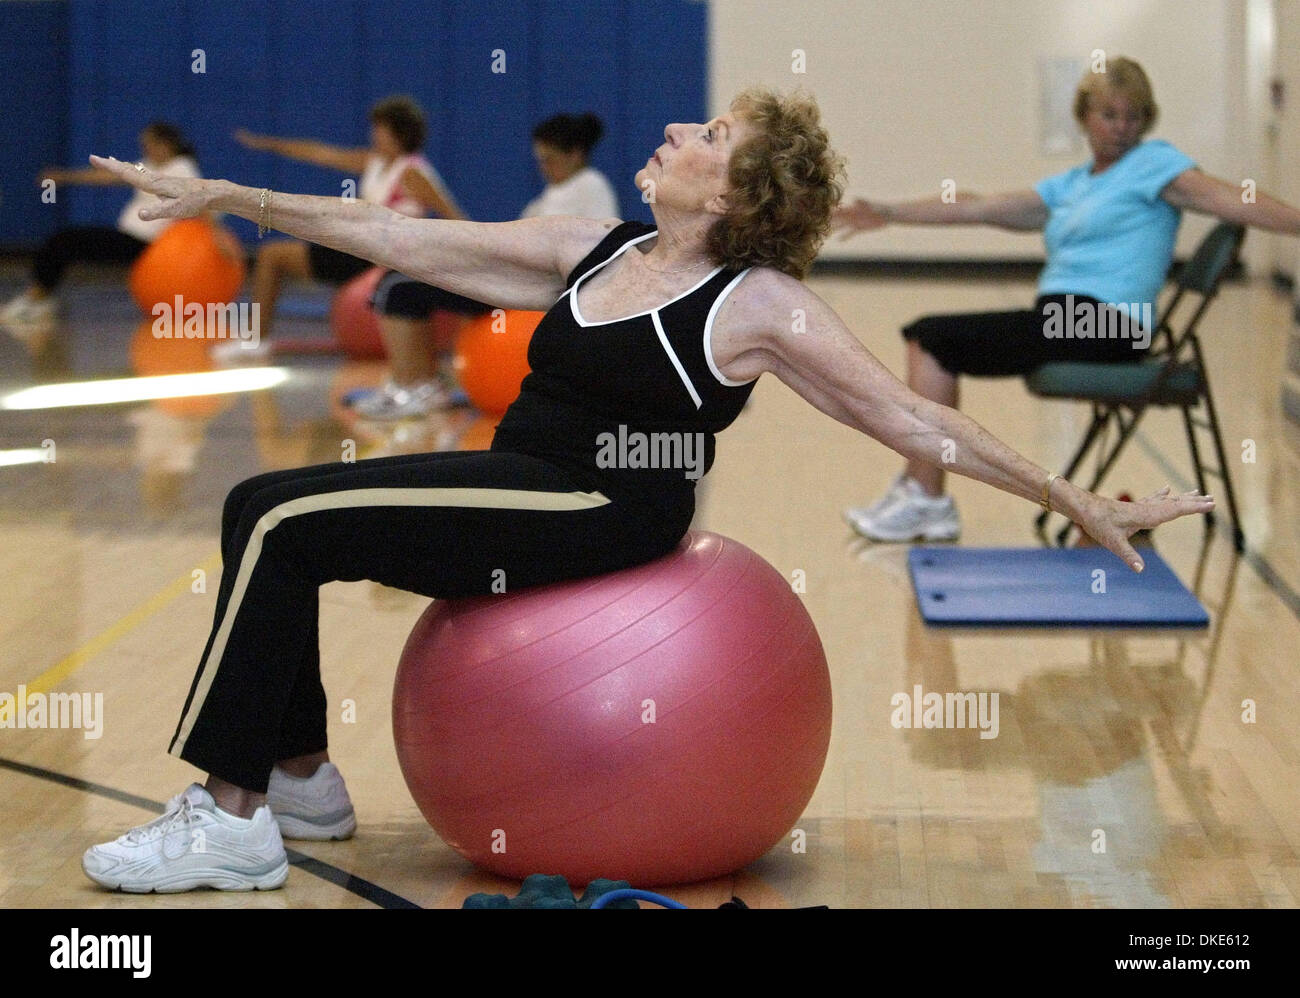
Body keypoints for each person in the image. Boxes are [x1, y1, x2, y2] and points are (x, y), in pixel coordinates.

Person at [80, 87, 1215, 893]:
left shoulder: (754, 302)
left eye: (709, 133)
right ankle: (299, 776)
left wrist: (1075, 500)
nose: (675, 130)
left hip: (602, 508)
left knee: (285, 512)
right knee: (259, 507)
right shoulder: (604, 249)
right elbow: (400, 237)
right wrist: (233, 196)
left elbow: (908, 412)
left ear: (741, 187)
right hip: (524, 478)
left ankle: (232, 820)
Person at [834, 57, 1300, 543]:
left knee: (932, 338)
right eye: (1109, 114)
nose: (1122, 127)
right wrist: (888, 212)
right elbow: (977, 205)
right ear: (1083, 117)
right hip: (1064, 319)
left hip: (1112, 324)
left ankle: (926, 497)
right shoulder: (1073, 185)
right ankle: (921, 488)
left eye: (1134, 116)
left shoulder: (1156, 165)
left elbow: (1235, 199)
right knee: (931, 337)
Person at [356, 112, 620, 419]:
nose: (543, 167)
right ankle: (421, 383)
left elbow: (598, 256)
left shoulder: (591, 187)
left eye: (548, 159)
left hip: (532, 292)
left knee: (398, 286)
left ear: (575, 154)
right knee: (398, 278)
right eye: (540, 159)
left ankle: (412, 386)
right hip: (515, 280)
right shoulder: (558, 192)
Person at [224, 95, 462, 361]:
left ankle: (255, 339)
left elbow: (455, 217)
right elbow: (319, 153)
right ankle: (256, 340)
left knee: (272, 256)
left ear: (400, 134)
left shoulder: (414, 173)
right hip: (360, 249)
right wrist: (267, 144)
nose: (374, 134)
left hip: (382, 258)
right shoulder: (375, 162)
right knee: (272, 255)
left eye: (380, 129)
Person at [0, 123, 203, 353]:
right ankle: (39, 298)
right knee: (63, 240)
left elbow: (201, 200)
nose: (145, 149)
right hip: (128, 237)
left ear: (166, 144)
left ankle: (36, 300)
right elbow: (108, 177)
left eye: (149, 144)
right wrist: (64, 177)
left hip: (145, 244)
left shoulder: (182, 168)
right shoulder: (148, 166)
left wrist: (215, 235)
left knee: (64, 240)